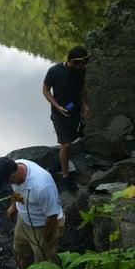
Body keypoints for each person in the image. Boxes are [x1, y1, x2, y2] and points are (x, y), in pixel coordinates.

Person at [0, 156, 64, 269]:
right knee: (20, 250)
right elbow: (17, 189)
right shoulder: (16, 167)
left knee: (46, 260)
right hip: (24, 220)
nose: (9, 185)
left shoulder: (42, 185)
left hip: (44, 224)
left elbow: (52, 215)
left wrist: (46, 238)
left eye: (7, 182)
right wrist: (13, 206)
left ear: (12, 177)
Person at [42, 46, 91, 192]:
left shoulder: (80, 70)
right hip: (59, 113)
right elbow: (45, 90)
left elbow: (82, 88)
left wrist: (86, 105)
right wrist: (56, 106)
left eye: (84, 64)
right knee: (66, 144)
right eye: (80, 64)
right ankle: (65, 176)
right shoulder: (54, 71)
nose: (82, 67)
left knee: (70, 140)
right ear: (71, 60)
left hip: (74, 111)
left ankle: (60, 161)